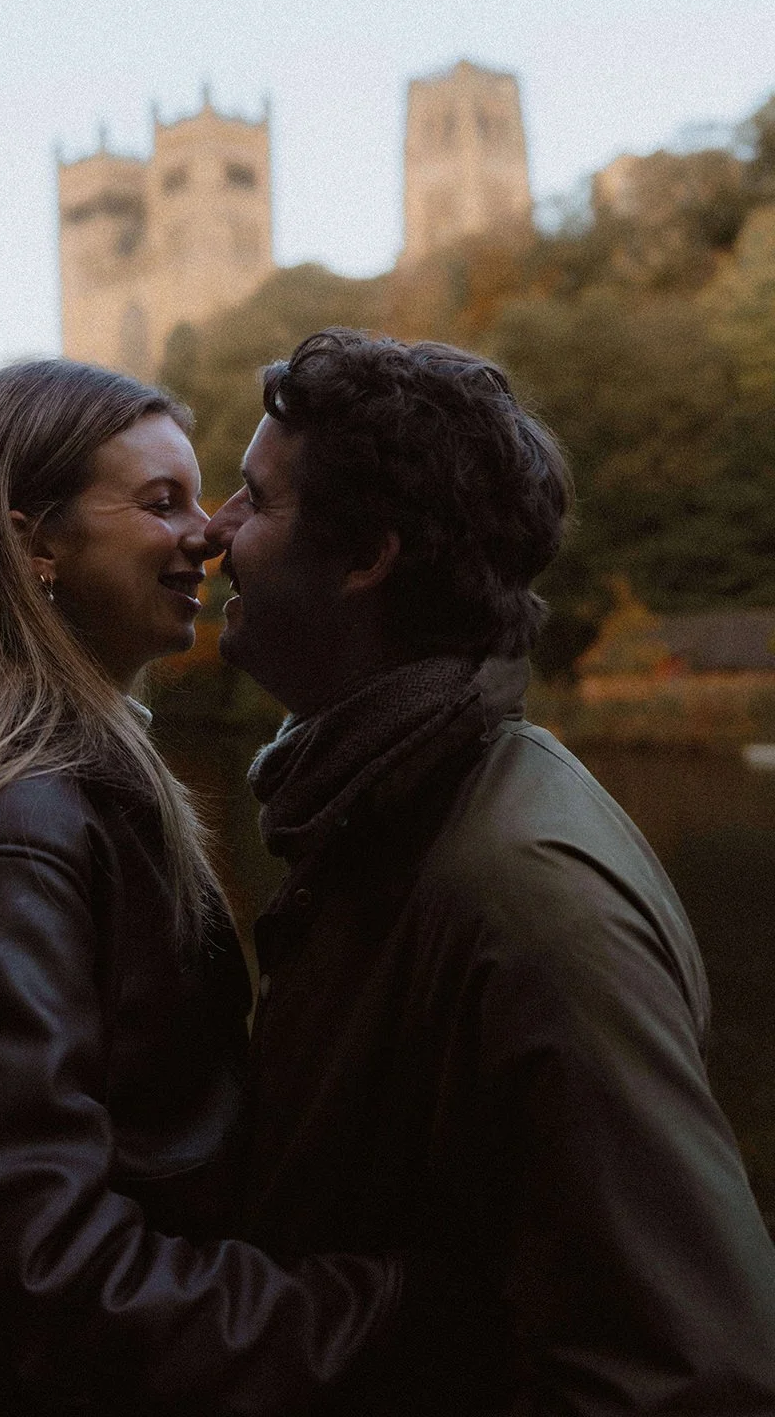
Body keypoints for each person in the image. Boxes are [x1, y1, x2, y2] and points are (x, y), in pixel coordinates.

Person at [0, 357, 425, 1417]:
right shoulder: (8, 838)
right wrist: (393, 1316)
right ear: (33, 543)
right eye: (162, 502)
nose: (208, 534)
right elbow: (44, 1282)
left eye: (201, 499)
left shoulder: (49, 796)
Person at [205, 328, 775, 1415]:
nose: (215, 532)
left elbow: (692, 1376)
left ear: (368, 555)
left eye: (253, 499)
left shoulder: (526, 893)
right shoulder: (382, 810)